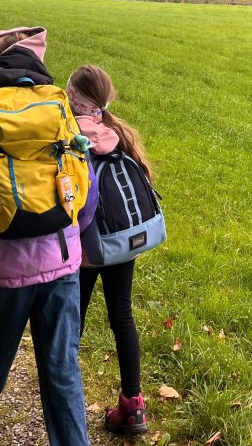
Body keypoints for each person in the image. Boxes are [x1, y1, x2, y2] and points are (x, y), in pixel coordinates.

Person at [0, 27, 97, 445]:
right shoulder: (59, 118)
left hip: (2, 265)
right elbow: (86, 196)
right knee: (62, 365)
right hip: (61, 264)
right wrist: (69, 241)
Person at [68, 64, 155, 437]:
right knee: (122, 314)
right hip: (125, 240)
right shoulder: (116, 131)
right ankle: (133, 407)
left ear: (75, 96)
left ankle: (64, 398)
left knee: (75, 317)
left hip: (88, 244)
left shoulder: (71, 134)